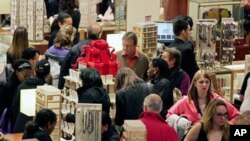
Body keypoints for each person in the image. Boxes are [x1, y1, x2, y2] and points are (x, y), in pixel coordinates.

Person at [167, 70, 239, 124]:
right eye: (201, 82)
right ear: (195, 83)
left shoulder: (217, 100)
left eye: (207, 82)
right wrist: (184, 124)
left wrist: (227, 126)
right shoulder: (185, 101)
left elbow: (237, 115)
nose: (204, 85)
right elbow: (169, 116)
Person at [58, 23, 102, 89]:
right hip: (97, 87)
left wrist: (60, 89)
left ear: (87, 33)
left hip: (77, 85)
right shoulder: (104, 49)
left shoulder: (75, 48)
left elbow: (64, 69)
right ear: (100, 34)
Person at [12, 59, 51, 133]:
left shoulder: (21, 86)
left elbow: (14, 108)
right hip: (34, 131)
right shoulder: (45, 90)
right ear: (49, 74)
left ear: (35, 72)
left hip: (18, 127)